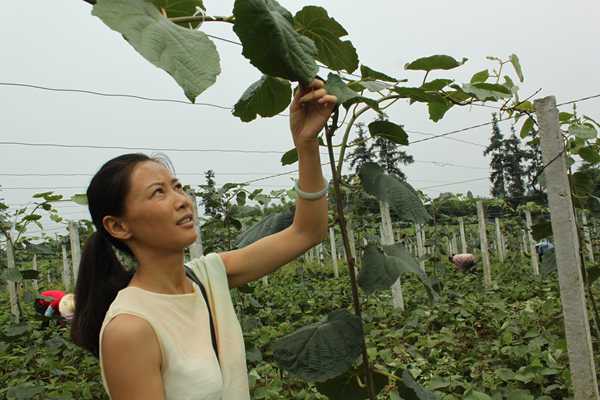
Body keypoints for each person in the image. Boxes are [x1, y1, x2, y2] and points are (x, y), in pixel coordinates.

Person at [69, 79, 337, 400]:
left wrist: (306, 144)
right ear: (118, 226)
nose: (182, 199)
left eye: (177, 186)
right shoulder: (130, 328)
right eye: (159, 192)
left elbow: (307, 231)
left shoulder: (207, 277)